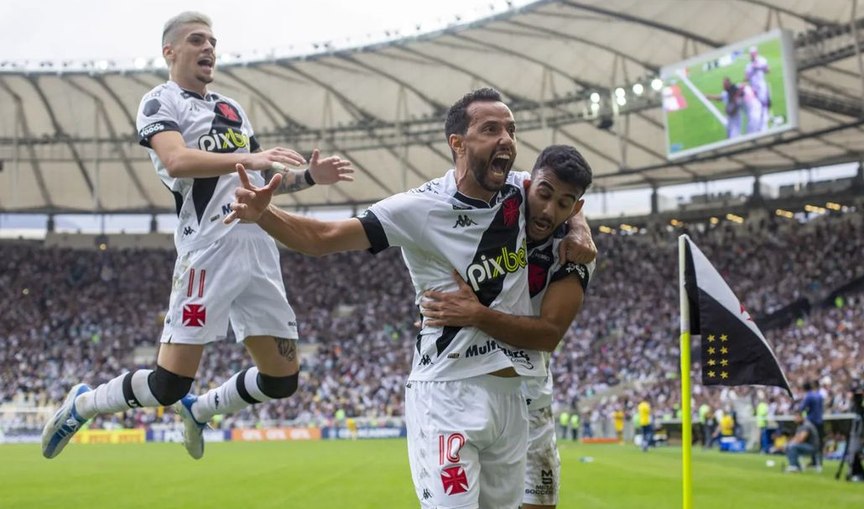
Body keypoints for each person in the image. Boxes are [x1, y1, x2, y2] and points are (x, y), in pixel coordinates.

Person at [224, 88, 596, 508]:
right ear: (457, 143)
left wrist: (580, 226)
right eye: (491, 129)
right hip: (448, 393)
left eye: (511, 129)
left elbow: (561, 193)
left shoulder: (520, 190)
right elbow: (323, 238)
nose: (506, 139)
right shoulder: (418, 208)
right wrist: (264, 214)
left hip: (511, 399)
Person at [40, 11, 354, 460]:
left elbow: (258, 178)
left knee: (282, 380)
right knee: (168, 383)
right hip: (209, 249)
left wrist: (307, 176)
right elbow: (177, 162)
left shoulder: (232, 108)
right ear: (170, 51)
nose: (209, 48)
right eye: (196, 40)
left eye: (212, 40)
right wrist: (252, 156)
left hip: (259, 247)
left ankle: (201, 410)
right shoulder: (159, 101)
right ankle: (84, 403)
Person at [417, 144, 595, 509]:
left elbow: (549, 335)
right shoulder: (499, 200)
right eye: (544, 195)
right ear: (529, 184)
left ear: (576, 207)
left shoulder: (573, 253)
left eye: (565, 204)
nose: (549, 210)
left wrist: (578, 227)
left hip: (531, 397)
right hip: (468, 387)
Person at [745, 46, 771, 131]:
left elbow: (768, 70)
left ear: (756, 53)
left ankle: (764, 123)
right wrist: (751, 71)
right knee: (756, 106)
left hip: (761, 86)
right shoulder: (748, 65)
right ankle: (758, 124)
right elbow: (746, 78)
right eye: (751, 54)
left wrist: (759, 66)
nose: (752, 55)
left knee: (764, 104)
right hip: (753, 88)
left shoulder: (762, 60)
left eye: (753, 54)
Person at [799, 380, 825, 468]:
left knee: (811, 442)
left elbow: (802, 408)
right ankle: (818, 461)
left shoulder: (808, 396)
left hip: (812, 421)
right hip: (820, 421)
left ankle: (814, 461)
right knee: (819, 442)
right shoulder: (819, 396)